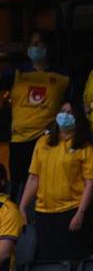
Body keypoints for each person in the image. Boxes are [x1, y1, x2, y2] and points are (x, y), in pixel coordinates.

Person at [19, 99, 93, 261]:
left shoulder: (85, 147)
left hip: (71, 211)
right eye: (62, 111)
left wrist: (80, 213)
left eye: (70, 113)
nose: (64, 115)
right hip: (43, 212)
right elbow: (34, 177)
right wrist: (23, 207)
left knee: (69, 260)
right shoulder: (43, 142)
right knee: (47, 260)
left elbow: (90, 184)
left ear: (78, 119)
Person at [1, 30, 71, 198]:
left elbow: (70, 105)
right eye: (32, 44)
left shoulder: (62, 76)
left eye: (38, 44)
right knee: (18, 183)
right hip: (19, 138)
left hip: (45, 138)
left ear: (48, 47)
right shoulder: (17, 72)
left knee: (43, 182)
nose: (35, 48)